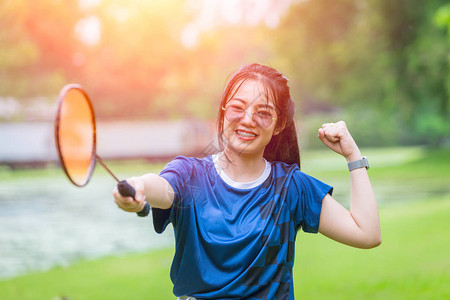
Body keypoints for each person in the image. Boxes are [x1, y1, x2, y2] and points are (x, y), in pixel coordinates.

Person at [113, 63, 381, 299]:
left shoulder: (290, 187)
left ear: (278, 125)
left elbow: (367, 233)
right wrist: (139, 186)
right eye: (237, 108)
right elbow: (162, 188)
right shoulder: (189, 175)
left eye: (263, 112)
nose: (247, 120)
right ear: (223, 112)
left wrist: (352, 155)